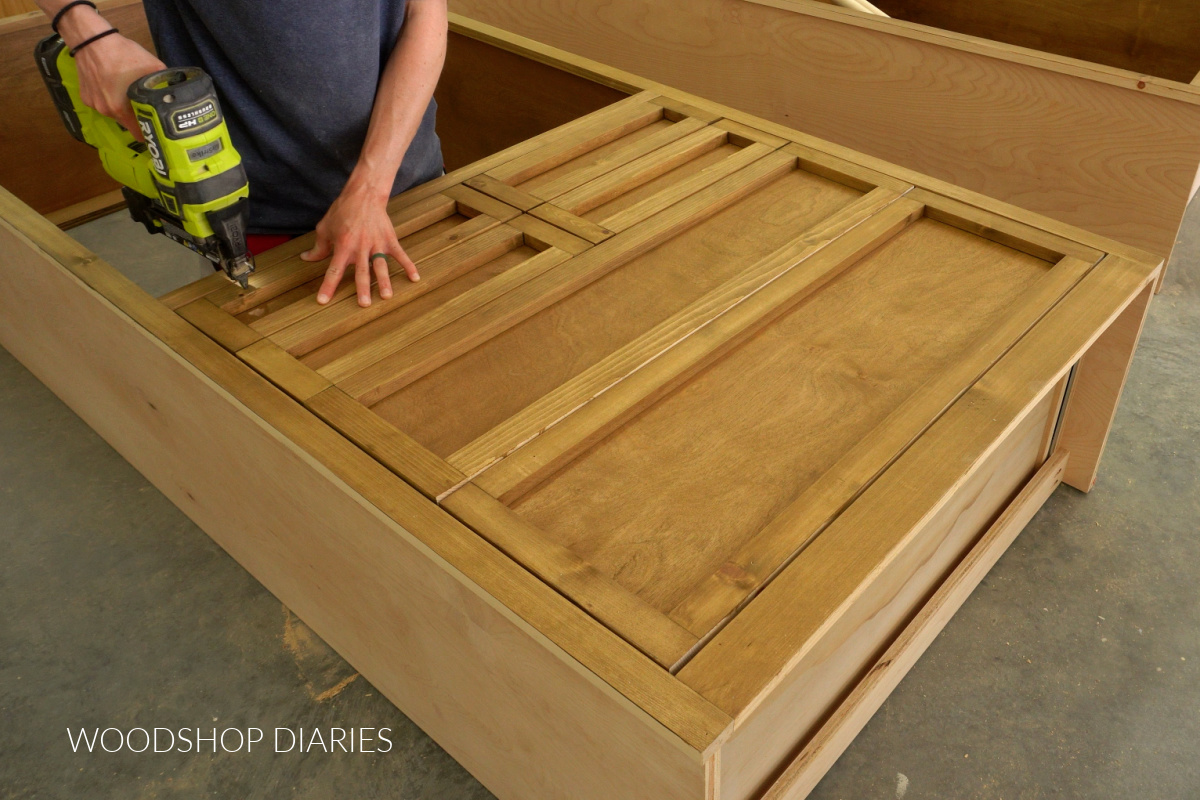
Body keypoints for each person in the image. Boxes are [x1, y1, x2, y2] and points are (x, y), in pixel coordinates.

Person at [36, 0, 446, 308]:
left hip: (408, 187)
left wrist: (370, 187)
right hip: (252, 211)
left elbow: (424, 14)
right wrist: (87, 35)